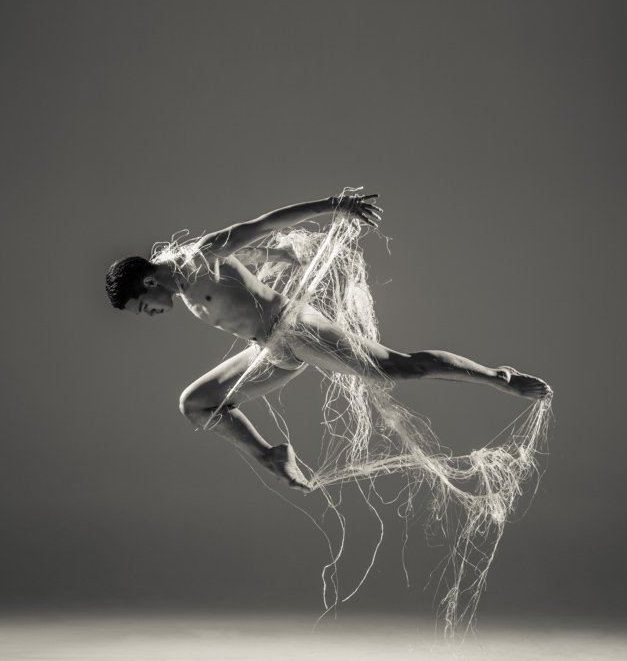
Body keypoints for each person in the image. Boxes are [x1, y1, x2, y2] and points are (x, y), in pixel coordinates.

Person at [105, 194, 551, 491]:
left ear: (148, 283)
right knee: (195, 404)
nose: (148, 315)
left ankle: (498, 377)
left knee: (398, 367)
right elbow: (246, 254)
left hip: (295, 328)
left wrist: (334, 206)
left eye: (142, 307)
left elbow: (263, 223)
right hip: (269, 351)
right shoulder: (184, 281)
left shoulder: (200, 256)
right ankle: (271, 456)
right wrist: (275, 255)